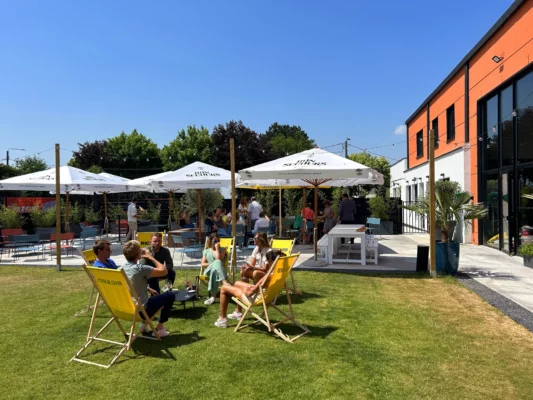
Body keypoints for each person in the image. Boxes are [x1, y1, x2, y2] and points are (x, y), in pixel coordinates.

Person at [214, 249, 285, 328]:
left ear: (272, 261)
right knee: (237, 283)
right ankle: (238, 312)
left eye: (268, 261)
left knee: (224, 288)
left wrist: (245, 290)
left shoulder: (267, 276)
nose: (267, 263)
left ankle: (222, 320)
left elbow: (250, 293)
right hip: (267, 296)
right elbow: (260, 287)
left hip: (256, 298)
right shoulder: (279, 274)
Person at [122, 240, 175, 338]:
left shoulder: (122, 269)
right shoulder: (140, 268)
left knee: (154, 297)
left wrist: (147, 288)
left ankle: (144, 325)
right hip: (141, 311)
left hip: (127, 309)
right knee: (170, 295)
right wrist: (150, 256)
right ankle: (160, 328)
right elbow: (164, 271)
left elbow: (131, 284)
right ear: (138, 254)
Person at [202, 232, 231, 305]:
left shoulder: (223, 250)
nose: (217, 242)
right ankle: (224, 282)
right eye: (215, 241)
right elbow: (203, 264)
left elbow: (219, 259)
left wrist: (217, 249)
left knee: (214, 270)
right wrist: (213, 264)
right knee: (216, 263)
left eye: (218, 241)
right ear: (210, 241)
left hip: (220, 270)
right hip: (208, 270)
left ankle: (213, 297)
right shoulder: (206, 251)